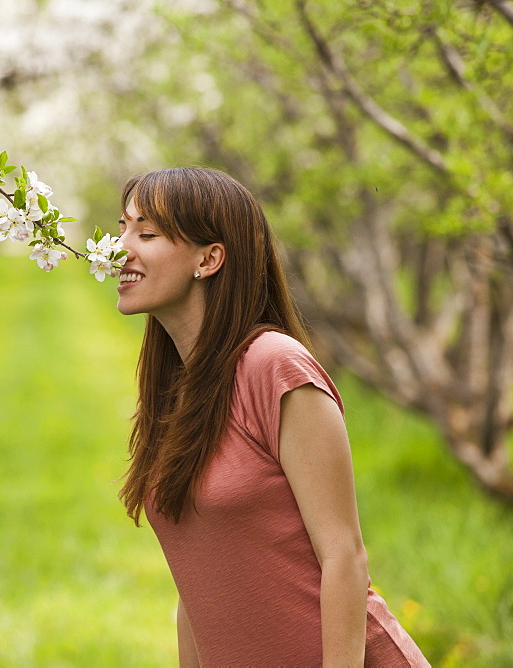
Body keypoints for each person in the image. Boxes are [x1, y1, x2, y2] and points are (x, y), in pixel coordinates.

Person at [114, 167, 428, 667]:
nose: (120, 247)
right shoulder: (176, 387)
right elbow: (197, 585)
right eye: (123, 228)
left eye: (146, 233)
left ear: (209, 258)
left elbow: (343, 558)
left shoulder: (274, 366)